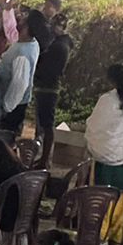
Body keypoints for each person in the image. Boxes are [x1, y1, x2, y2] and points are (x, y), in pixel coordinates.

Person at [85, 63, 123, 244]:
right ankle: (115, 237)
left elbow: (95, 126)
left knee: (102, 200)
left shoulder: (107, 100)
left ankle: (99, 235)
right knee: (120, 201)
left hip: (105, 158)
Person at [32, 13, 72, 167]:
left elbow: (47, 65)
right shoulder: (60, 44)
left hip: (48, 87)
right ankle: (42, 157)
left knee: (47, 125)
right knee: (43, 124)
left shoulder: (59, 46)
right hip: (47, 86)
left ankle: (44, 159)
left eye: (55, 25)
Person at [0, 10, 46, 134]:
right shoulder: (31, 43)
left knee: (3, 141)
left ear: (27, 26)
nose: (20, 18)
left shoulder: (23, 54)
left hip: (12, 106)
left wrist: (6, 108)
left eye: (24, 18)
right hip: (14, 104)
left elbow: (19, 84)